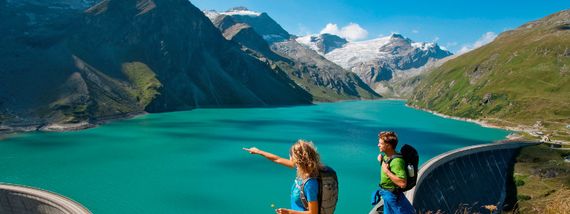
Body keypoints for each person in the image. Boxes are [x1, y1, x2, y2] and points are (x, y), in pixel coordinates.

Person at [243, 140, 321, 214]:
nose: (289, 157)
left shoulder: (310, 184)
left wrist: (289, 212)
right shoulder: (304, 169)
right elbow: (277, 159)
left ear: (296, 159)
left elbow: (313, 212)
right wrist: (258, 151)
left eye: (291, 155)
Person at [376, 131, 415, 214]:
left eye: (381, 143)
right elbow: (389, 167)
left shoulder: (397, 161)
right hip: (387, 193)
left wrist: (386, 171)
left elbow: (402, 183)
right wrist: (381, 161)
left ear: (388, 146)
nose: (378, 145)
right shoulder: (388, 155)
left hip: (393, 196)